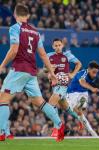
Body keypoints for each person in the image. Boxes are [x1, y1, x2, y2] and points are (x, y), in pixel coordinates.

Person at [0, 4, 64, 142]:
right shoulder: (36, 32)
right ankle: (59, 124)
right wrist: (52, 73)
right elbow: (43, 55)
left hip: (19, 69)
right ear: (28, 16)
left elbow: (14, 50)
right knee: (39, 102)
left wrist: (2, 65)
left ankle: (2, 133)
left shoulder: (15, 28)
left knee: (3, 100)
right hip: (31, 72)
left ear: (15, 15)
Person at [46, 38, 82, 136]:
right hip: (54, 83)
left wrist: (72, 74)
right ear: (53, 46)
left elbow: (79, 63)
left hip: (63, 82)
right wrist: (49, 71)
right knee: (65, 107)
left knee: (51, 104)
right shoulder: (49, 56)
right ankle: (80, 119)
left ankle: (56, 129)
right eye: (55, 46)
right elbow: (46, 70)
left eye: (59, 45)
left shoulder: (67, 55)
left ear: (62, 45)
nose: (57, 47)